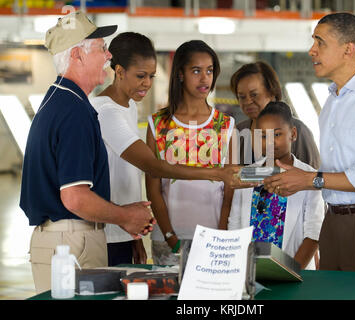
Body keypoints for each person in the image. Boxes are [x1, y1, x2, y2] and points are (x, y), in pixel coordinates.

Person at [264, 12, 355, 274]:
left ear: (348, 49)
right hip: (334, 222)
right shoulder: (333, 101)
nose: (312, 50)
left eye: (320, 42)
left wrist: (309, 180)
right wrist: (296, 180)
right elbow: (336, 170)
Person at [19, 12, 155, 293]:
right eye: (102, 49)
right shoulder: (74, 112)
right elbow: (75, 197)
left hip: (62, 242)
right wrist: (126, 216)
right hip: (72, 243)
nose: (108, 57)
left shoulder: (58, 99)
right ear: (78, 55)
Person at [146, 40, 235, 264]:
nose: (204, 78)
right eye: (196, 70)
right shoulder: (158, 124)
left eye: (209, 71)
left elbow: (230, 187)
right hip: (168, 237)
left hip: (213, 236)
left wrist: (221, 231)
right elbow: (153, 188)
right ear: (180, 74)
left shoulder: (226, 125)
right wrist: (169, 235)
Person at [228, 102, 324, 269]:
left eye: (277, 135)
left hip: (294, 271)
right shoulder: (247, 174)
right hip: (249, 269)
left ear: (293, 134)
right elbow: (235, 226)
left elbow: (314, 234)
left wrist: (291, 272)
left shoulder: (308, 176)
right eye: (263, 136)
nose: (270, 142)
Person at [90, 32, 156, 266]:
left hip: (127, 230)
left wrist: (136, 238)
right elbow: (149, 164)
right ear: (119, 71)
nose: (147, 83)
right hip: (107, 232)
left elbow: (129, 175)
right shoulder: (103, 110)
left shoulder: (128, 106)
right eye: (140, 76)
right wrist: (213, 173)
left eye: (151, 76)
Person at [230, 61, 320, 169]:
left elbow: (313, 177)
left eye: (254, 95)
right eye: (242, 97)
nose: (248, 101)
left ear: (272, 92)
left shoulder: (299, 130)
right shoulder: (238, 132)